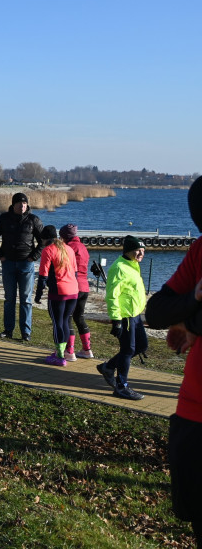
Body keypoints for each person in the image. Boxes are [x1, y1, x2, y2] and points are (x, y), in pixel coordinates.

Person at [143, 177, 202, 544]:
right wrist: (194, 301)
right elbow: (155, 311)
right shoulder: (200, 251)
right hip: (194, 414)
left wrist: (192, 324)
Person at [0, 192, 45, 341]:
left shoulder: (33, 220)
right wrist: (0, 256)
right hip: (8, 264)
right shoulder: (3, 219)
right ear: (13, 205)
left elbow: (44, 240)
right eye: (20, 204)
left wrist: (34, 257)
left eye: (25, 203)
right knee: (9, 298)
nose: (22, 206)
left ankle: (26, 333)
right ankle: (8, 330)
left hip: (26, 263)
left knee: (25, 299)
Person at [98, 235, 148, 401]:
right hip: (124, 315)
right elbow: (112, 295)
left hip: (135, 314)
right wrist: (116, 320)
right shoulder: (119, 267)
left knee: (141, 345)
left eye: (143, 250)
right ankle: (121, 386)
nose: (141, 253)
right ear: (128, 250)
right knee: (128, 350)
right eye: (137, 250)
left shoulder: (133, 264)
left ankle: (108, 367)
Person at [34, 225, 78, 366]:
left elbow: (43, 276)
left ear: (44, 239)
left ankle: (59, 356)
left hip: (58, 291)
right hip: (73, 290)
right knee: (65, 321)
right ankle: (62, 352)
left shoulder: (48, 250)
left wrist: (38, 294)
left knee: (57, 322)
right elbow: (75, 272)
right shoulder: (68, 248)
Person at [60, 223, 94, 358]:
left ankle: (70, 351)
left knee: (67, 317)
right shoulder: (83, 247)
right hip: (85, 286)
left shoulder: (68, 248)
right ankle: (87, 349)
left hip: (73, 286)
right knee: (79, 317)